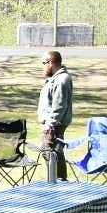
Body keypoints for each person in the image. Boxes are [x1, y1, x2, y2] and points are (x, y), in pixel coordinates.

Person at [37, 50, 74, 180]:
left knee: (51, 152)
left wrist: (50, 123)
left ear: (51, 63)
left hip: (55, 124)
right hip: (53, 124)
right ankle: (58, 181)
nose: (43, 66)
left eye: (44, 63)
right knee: (52, 152)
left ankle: (59, 181)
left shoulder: (61, 80)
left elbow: (59, 105)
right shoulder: (56, 78)